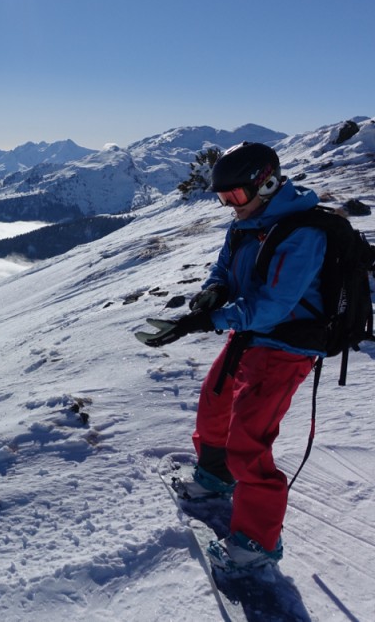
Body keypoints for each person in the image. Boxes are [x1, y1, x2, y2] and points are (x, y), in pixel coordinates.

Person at [136, 142, 325, 571]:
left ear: (269, 183)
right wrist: (213, 290)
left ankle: (256, 544)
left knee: (249, 441)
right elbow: (224, 268)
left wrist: (209, 321)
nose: (230, 207)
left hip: (286, 346)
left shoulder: (304, 233)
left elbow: (274, 304)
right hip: (251, 336)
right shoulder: (246, 224)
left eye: (236, 197)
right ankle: (216, 477)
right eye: (224, 199)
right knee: (214, 401)